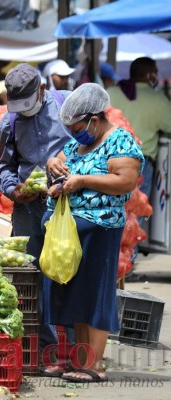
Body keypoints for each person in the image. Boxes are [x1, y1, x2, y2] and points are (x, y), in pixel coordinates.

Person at [44, 83, 144, 383]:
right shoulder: (77, 144)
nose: (74, 134)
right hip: (70, 231)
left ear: (95, 119)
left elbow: (125, 182)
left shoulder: (120, 142)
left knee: (95, 295)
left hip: (100, 230)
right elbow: (63, 162)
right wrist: (53, 165)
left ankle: (93, 365)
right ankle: (78, 359)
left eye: (78, 128)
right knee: (75, 294)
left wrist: (83, 180)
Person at [0, 63, 74, 371]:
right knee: (31, 277)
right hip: (28, 208)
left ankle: (68, 347)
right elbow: (4, 167)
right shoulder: (9, 123)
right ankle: (43, 347)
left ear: (42, 90)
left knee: (66, 272)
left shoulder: (68, 104)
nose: (24, 113)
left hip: (67, 204)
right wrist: (13, 189)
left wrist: (65, 163)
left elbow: (93, 142)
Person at [107, 57, 171, 200]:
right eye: (155, 72)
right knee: (134, 214)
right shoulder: (158, 99)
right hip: (140, 164)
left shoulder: (111, 92)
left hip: (107, 160)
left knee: (109, 210)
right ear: (149, 75)